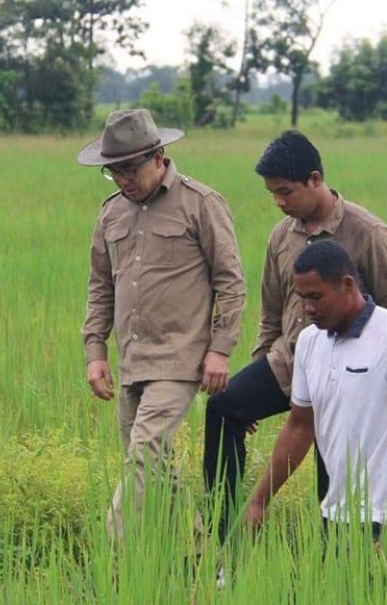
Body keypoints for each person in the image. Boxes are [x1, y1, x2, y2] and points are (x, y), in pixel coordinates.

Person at [203, 130, 387, 541]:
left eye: (286, 192)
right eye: (273, 194)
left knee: (331, 469)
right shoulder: (282, 235)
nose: (280, 202)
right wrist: (258, 371)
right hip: (289, 361)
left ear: (315, 179)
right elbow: (271, 312)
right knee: (224, 408)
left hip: (348, 374)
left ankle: (333, 552)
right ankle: (225, 531)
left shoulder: (367, 232)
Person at [79, 108, 246, 541]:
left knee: (144, 453)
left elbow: (230, 282)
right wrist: (95, 351)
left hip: (179, 359)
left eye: (130, 169)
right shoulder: (111, 214)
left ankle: (110, 553)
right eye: (113, 172)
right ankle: (199, 555)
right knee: (153, 468)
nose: (122, 180)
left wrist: (220, 350)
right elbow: (100, 286)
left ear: (158, 156)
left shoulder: (200, 204)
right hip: (132, 360)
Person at [245, 240, 387, 541]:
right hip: (335, 513)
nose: (308, 308)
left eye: (316, 297)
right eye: (302, 298)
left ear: (348, 285)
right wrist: (260, 500)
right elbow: (300, 426)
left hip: (386, 517)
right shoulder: (309, 342)